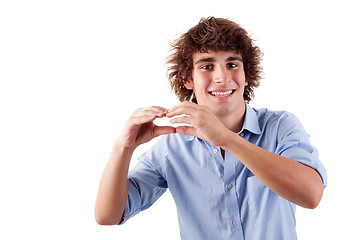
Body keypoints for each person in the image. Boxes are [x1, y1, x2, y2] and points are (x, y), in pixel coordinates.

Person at [95, 17, 327, 240]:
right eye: (207, 66)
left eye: (232, 64)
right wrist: (122, 148)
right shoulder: (171, 147)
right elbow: (108, 216)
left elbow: (311, 195)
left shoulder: (280, 127)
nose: (222, 77)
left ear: (246, 75)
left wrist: (225, 138)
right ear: (188, 79)